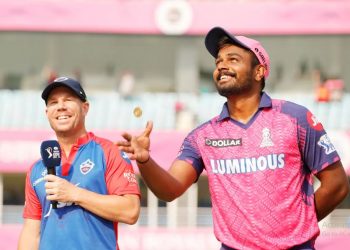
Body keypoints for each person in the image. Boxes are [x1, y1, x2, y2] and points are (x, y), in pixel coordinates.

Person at [117, 27, 350, 250]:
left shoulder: (295, 118)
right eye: (218, 61)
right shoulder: (202, 136)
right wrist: (145, 161)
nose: (222, 66)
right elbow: (170, 189)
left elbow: (337, 184)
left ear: (259, 71)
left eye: (233, 59)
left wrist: (297, 226)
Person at [18, 77, 141, 250]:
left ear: (85, 108)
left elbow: (130, 211)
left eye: (68, 100)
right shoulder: (37, 169)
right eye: (53, 102)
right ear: (47, 113)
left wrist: (75, 194)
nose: (60, 106)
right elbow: (31, 234)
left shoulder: (108, 152)